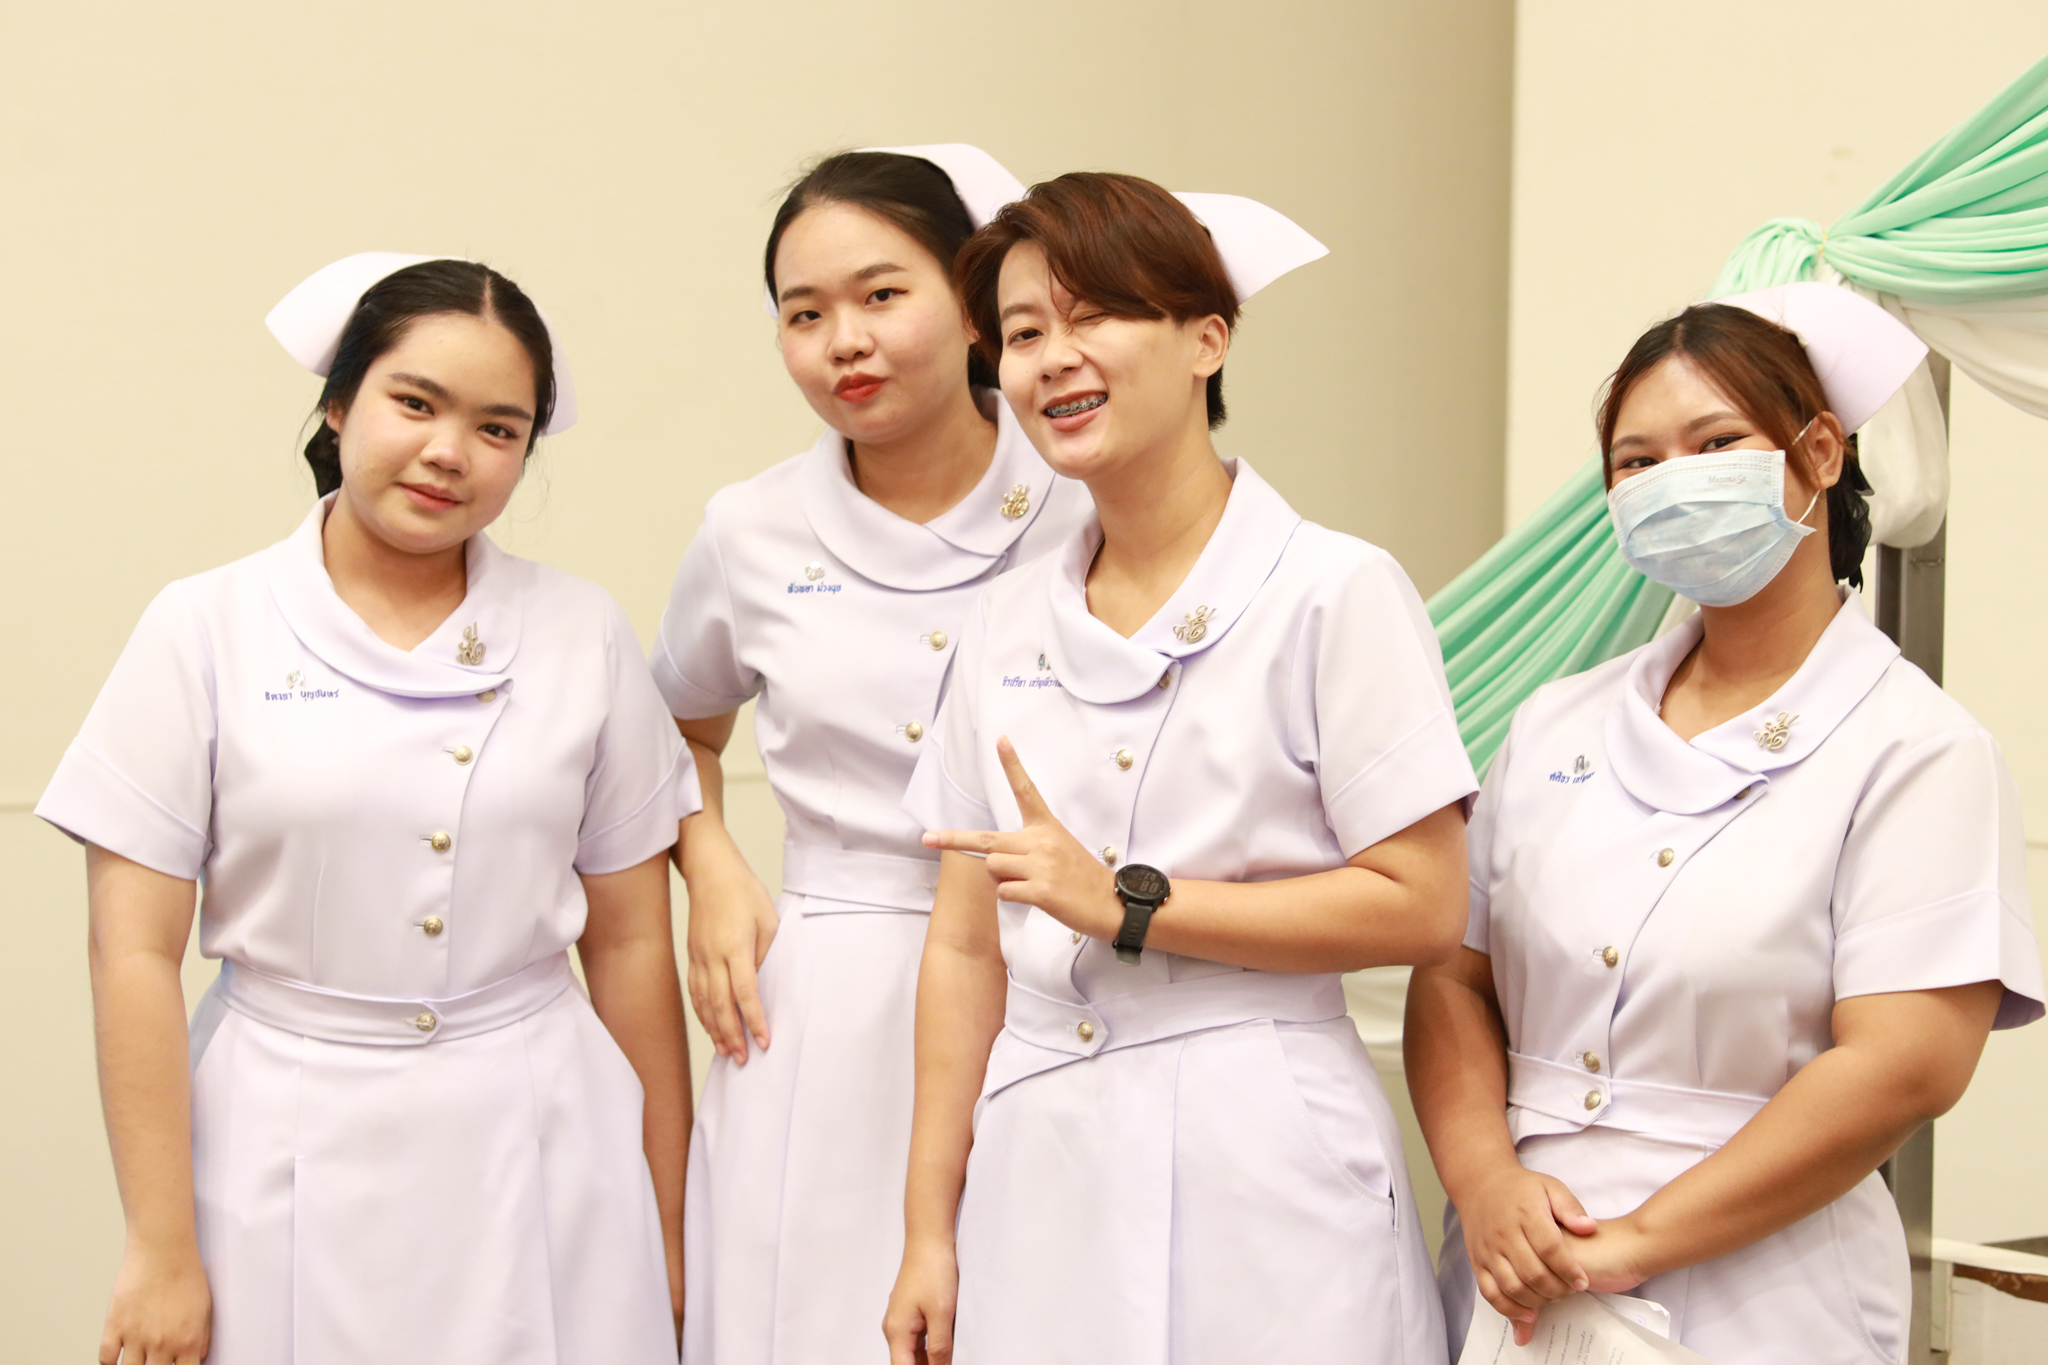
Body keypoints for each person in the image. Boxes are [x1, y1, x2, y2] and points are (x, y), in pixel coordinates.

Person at [39, 255, 697, 1365]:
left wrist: (669, 1223)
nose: (450, 452)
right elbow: (131, 954)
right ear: (339, 402)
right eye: (416, 403)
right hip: (279, 1132)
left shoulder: (580, 631)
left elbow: (632, 945)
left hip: (542, 1134)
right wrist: (159, 1246)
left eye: (498, 428)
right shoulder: (206, 627)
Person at [883, 171, 1478, 1365]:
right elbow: (962, 947)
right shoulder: (1001, 622)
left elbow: (1422, 904)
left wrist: (1130, 903)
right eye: (1021, 333)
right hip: (1043, 1152)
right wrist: (927, 1231)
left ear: (1207, 339)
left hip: (1261, 1144)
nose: (1052, 358)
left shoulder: (1332, 591)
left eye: (1093, 314)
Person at [1406, 283, 2044, 1364]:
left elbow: (1905, 1064)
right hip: (1516, 1271)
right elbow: (1453, 976)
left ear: (1820, 452)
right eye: (1636, 462)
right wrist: (1484, 1183)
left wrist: (1639, 1239)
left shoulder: (1916, 748)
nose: (1674, 480)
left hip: (1767, 1291)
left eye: (1715, 444)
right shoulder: (1555, 722)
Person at [656, 146, 1091, 1365]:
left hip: (1050, 972)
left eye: (881, 295)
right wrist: (712, 864)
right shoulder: (749, 530)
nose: (842, 340)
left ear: (970, 300)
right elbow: (671, 730)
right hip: (824, 996)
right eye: (803, 314)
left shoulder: (1081, 496)